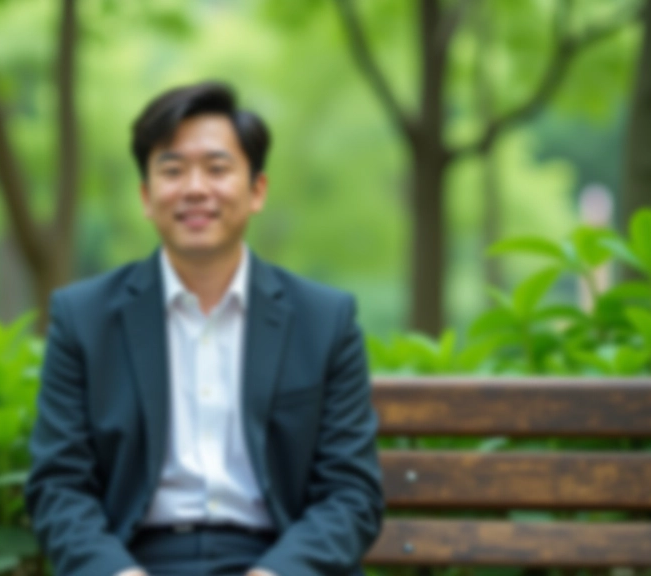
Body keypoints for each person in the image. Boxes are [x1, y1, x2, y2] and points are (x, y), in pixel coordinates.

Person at [24, 81, 384, 576]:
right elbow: (59, 488)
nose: (195, 188)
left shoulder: (325, 320)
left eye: (217, 169)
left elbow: (351, 493)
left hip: (280, 562)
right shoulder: (83, 318)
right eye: (172, 170)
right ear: (147, 197)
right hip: (137, 561)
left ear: (257, 190)